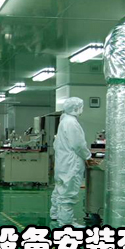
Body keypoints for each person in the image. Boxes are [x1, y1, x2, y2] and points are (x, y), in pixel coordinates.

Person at [50, 97, 92, 226]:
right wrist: (88, 156)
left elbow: (56, 144)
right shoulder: (72, 122)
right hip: (71, 163)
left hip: (62, 162)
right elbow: (78, 144)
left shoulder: (64, 121)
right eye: (81, 107)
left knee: (59, 189)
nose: (82, 109)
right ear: (76, 108)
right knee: (68, 192)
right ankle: (66, 222)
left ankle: (55, 214)